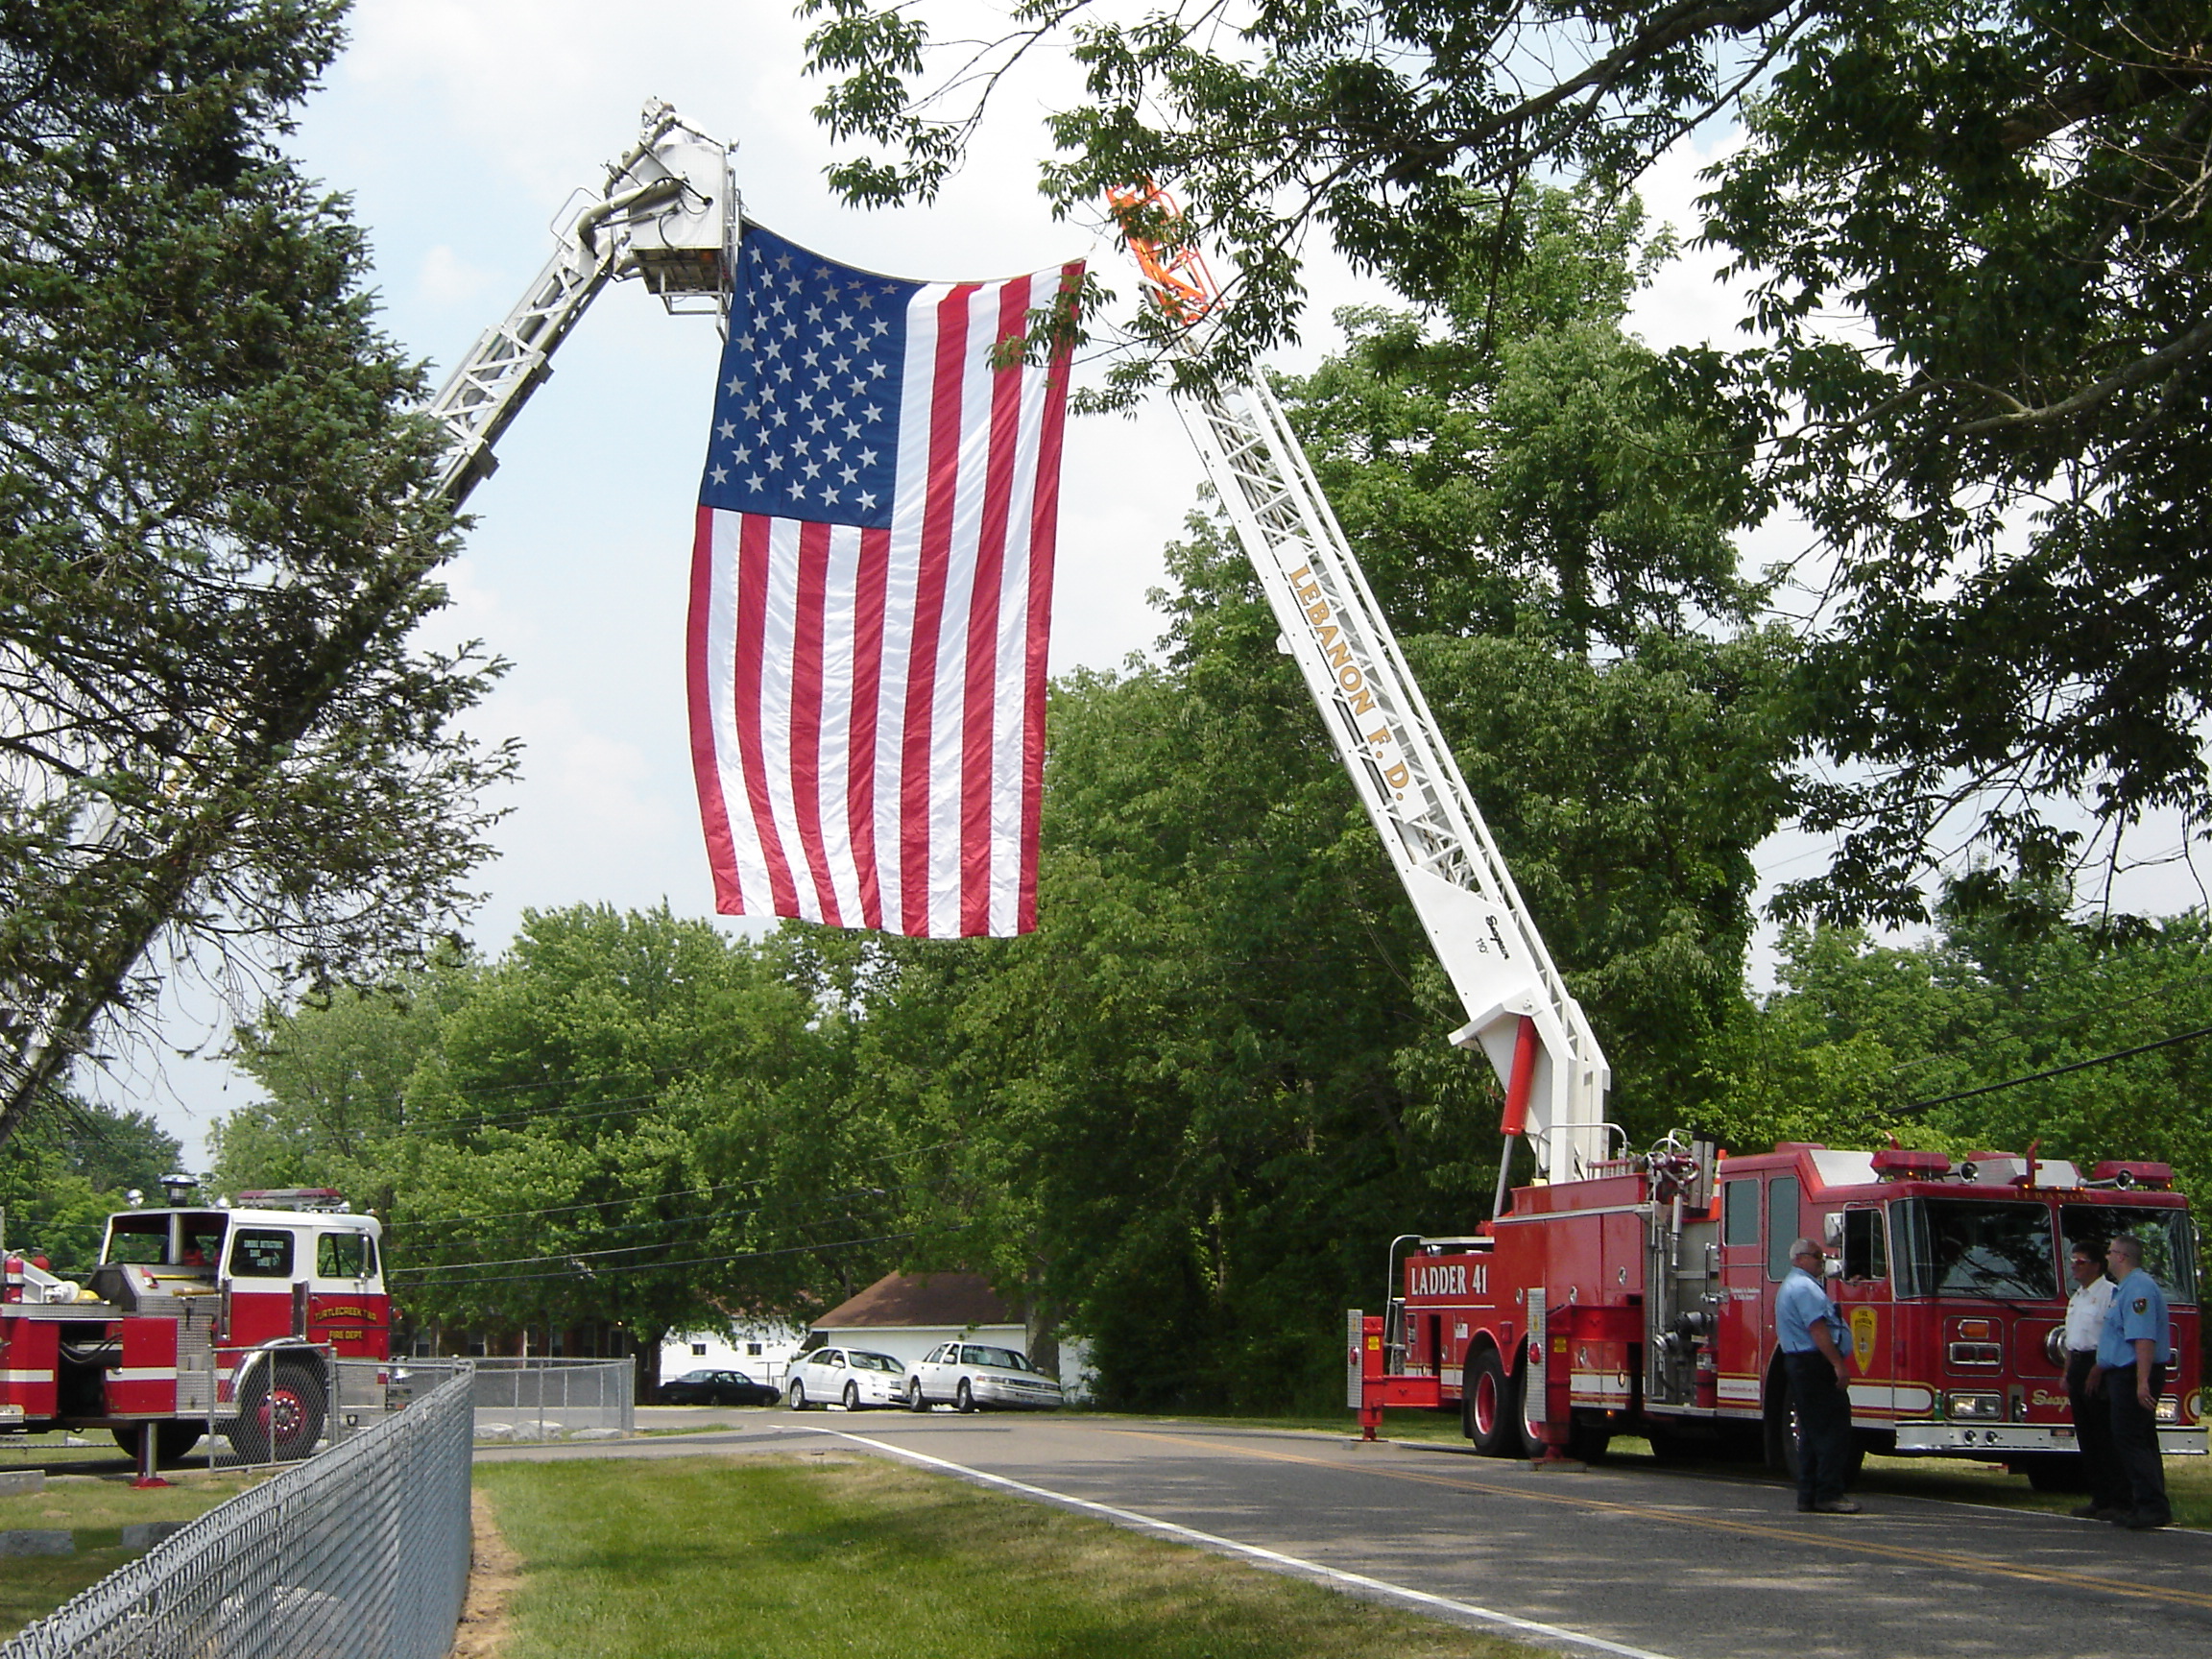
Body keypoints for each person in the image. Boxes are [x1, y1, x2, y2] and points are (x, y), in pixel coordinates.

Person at [2091, 1234, 2172, 1529]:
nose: (2108, 1257)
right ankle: (2143, 1503)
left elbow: (2143, 1338)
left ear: (2123, 1257)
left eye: (2111, 1252)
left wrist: (2142, 1382)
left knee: (2131, 1439)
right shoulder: (2124, 1289)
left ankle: (2152, 1506)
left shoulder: (2138, 1288)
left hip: (2133, 1373)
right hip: (2123, 1373)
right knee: (2137, 1438)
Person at [1776, 1237, 1861, 1514]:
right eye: (1816, 1256)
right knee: (1832, 1431)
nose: (1821, 1261)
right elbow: (1818, 1330)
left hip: (1803, 1365)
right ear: (1799, 1258)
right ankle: (1829, 1494)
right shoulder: (1803, 1288)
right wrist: (1837, 1364)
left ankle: (1808, 1495)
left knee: (1813, 1433)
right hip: (1813, 1364)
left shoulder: (1799, 1285)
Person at [2060, 1240, 2127, 1519]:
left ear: (2097, 1265)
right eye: (2073, 1260)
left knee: (2104, 1435)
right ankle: (2098, 1498)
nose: (2074, 1266)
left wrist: (2097, 1370)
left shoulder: (2110, 1294)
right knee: (2086, 1436)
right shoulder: (2077, 1296)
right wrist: (2066, 1372)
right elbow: (2072, 1337)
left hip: (2098, 1365)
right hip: (2077, 1363)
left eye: (2081, 1261)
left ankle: (2117, 1499)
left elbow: (2109, 1338)